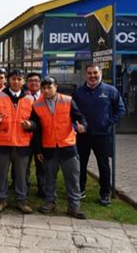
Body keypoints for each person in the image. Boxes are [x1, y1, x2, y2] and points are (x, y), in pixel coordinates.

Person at [33, 77, 87, 219]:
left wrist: (82, 126)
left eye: (49, 87)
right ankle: (50, 202)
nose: (46, 90)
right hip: (49, 147)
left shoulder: (67, 100)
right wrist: (38, 150)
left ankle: (74, 206)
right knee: (49, 178)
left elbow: (80, 117)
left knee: (72, 178)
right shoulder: (37, 105)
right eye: (43, 88)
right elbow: (37, 130)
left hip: (67, 146)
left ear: (56, 87)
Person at [72, 63, 126, 206]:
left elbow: (121, 110)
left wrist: (108, 122)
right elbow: (72, 112)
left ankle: (105, 194)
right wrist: (76, 126)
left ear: (100, 73)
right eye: (89, 73)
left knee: (103, 165)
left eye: (95, 73)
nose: (92, 76)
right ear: (86, 74)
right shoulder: (78, 92)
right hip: (82, 135)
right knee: (80, 164)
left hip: (102, 135)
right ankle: (80, 190)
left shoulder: (110, 90)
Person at [0, 69, 35, 214]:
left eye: (19, 79)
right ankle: (1, 199)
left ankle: (21, 200)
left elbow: (36, 122)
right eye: (13, 79)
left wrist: (31, 126)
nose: (16, 82)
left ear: (23, 81)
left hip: (22, 144)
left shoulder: (30, 99)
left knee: (21, 174)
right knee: (1, 173)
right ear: (8, 80)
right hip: (3, 143)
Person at [25, 72, 46, 198]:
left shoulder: (45, 97)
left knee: (41, 164)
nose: (33, 83)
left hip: (42, 136)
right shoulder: (22, 96)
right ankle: (24, 187)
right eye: (31, 80)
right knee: (24, 164)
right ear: (27, 83)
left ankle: (42, 188)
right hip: (25, 136)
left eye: (36, 81)